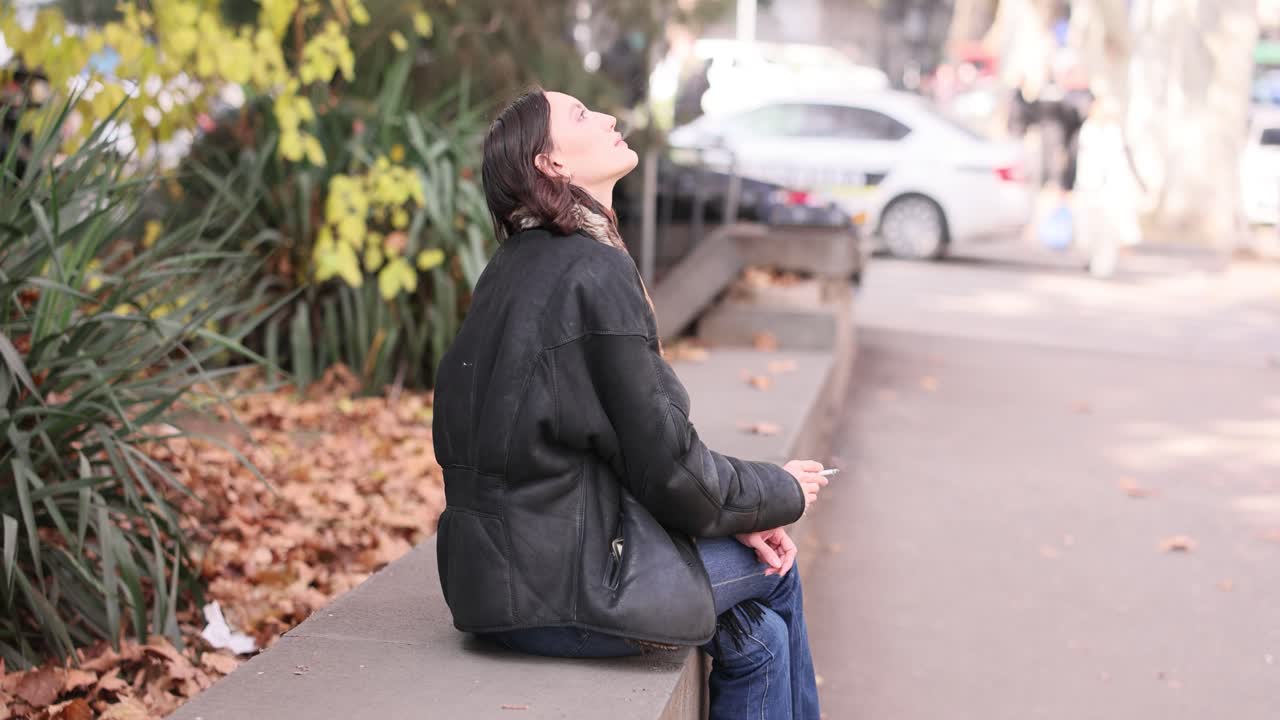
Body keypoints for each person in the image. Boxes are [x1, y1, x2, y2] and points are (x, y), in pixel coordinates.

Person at [431, 86, 830, 719]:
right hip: (562, 590)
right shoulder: (593, 272)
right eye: (582, 116)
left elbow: (626, 449)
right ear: (551, 164)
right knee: (778, 575)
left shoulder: (510, 271)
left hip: (489, 581)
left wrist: (738, 514)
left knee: (759, 639)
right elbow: (670, 469)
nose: (610, 118)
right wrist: (778, 491)